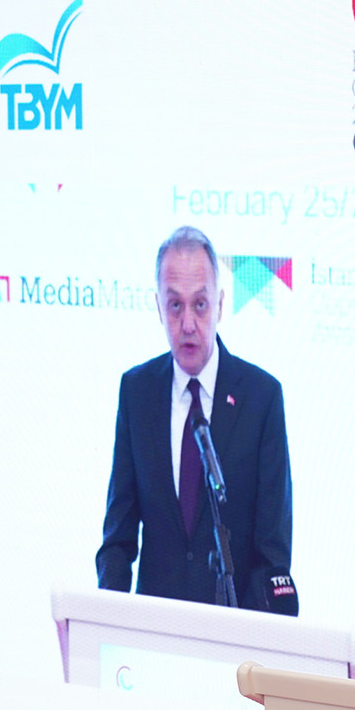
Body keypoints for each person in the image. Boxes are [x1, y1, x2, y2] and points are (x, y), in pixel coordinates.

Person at [97, 227, 296, 613]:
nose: (188, 323)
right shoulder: (137, 392)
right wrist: (105, 622)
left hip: (233, 635)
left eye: (200, 305)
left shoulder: (261, 398)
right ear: (159, 308)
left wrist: (243, 635)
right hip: (153, 632)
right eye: (175, 305)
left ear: (219, 305)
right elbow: (118, 540)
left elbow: (272, 551)